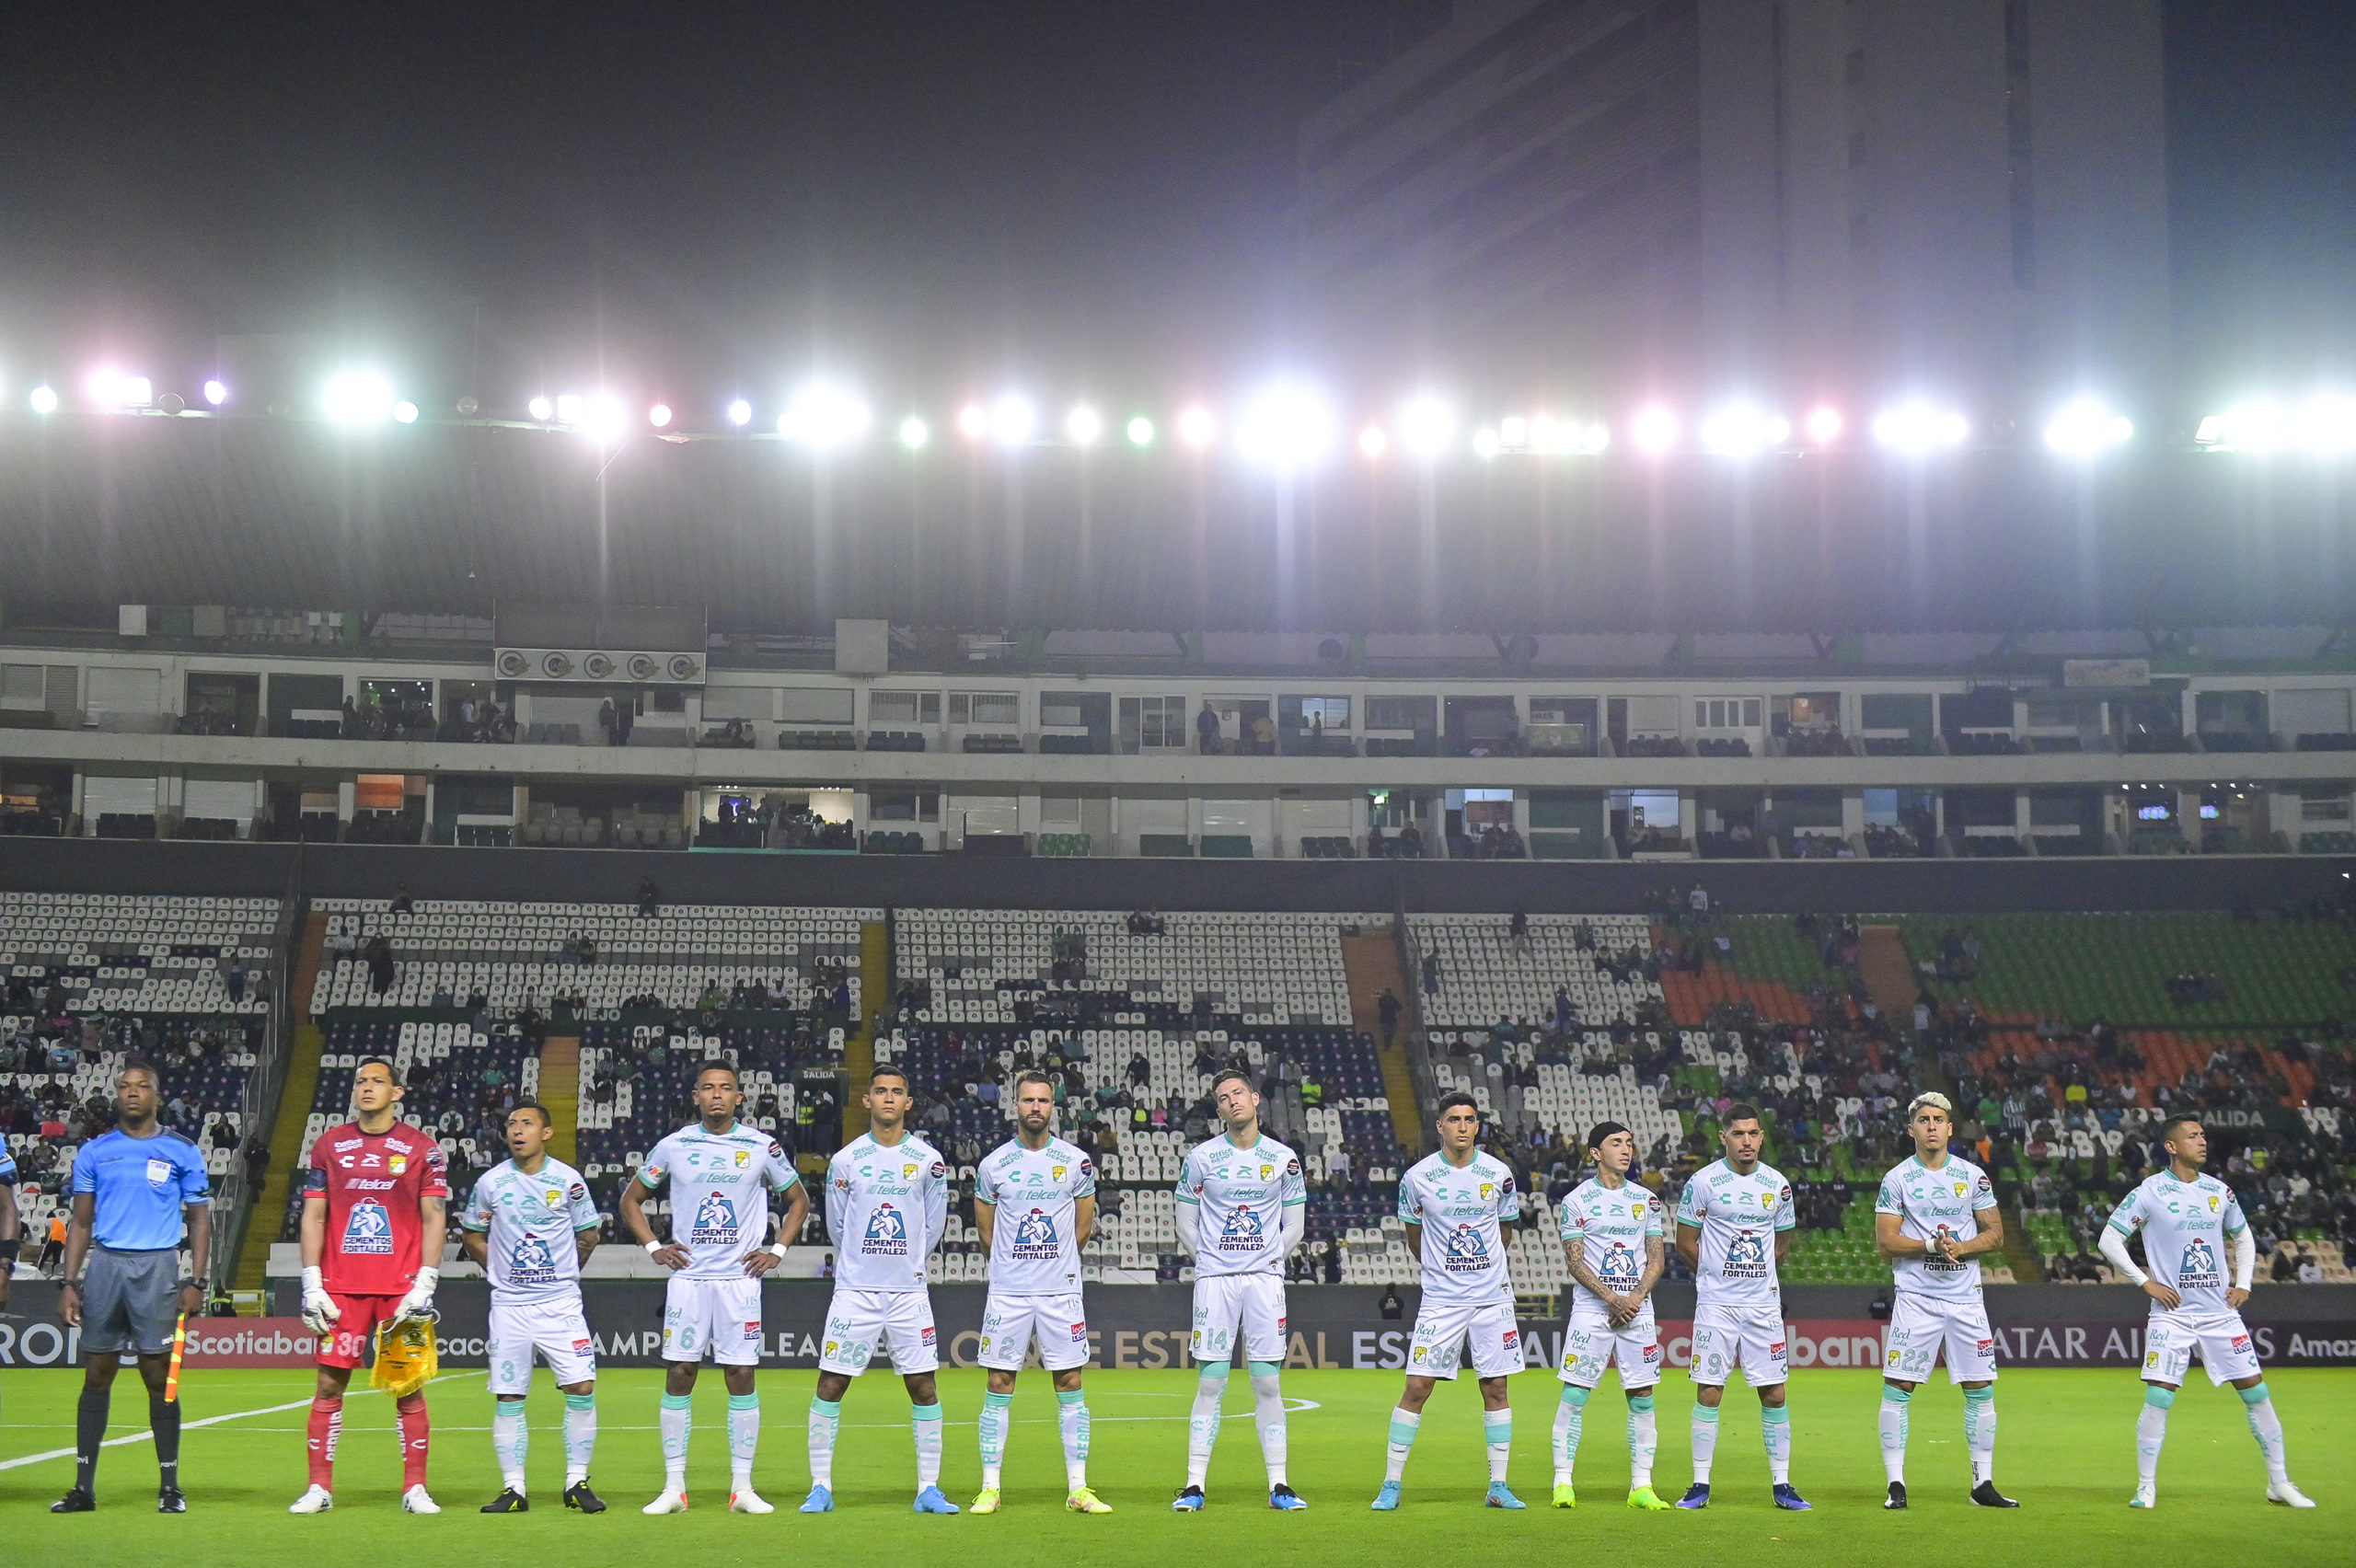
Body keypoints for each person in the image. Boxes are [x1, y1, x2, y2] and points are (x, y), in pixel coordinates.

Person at [619, 1063, 809, 1515]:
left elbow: (798, 1199)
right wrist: (653, 1247)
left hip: (740, 1281)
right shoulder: (674, 1145)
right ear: (695, 1097)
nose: (717, 1095)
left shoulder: (761, 1145)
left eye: (726, 1088)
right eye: (709, 1088)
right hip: (688, 1280)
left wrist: (777, 1251)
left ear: (739, 1098)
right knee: (680, 1374)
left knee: (740, 1375)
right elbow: (631, 1199)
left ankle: (741, 1489)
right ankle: (673, 1489)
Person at [2098, 1116, 2313, 1508]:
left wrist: (2245, 1282)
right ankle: (2146, 1485)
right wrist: (2143, 1281)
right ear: (2171, 1146)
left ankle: (2279, 1482)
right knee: (2159, 1396)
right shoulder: (2150, 1191)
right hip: (2172, 1313)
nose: (2202, 1140)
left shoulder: (2219, 1191)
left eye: (2203, 1135)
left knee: (2257, 1391)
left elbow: (2243, 1236)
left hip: (2219, 1312)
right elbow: (2109, 1238)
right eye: (2193, 1135)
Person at [51, 1060, 212, 1514]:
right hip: (105, 1267)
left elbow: (200, 1219)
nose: (133, 1093)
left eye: (142, 1087)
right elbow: (81, 1223)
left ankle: (170, 1487)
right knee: (97, 1373)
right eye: (125, 1086)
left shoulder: (182, 1150)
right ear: (117, 1095)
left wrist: (197, 1280)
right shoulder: (95, 1152)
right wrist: (69, 1283)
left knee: (158, 1377)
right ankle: (83, 1488)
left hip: (158, 1267)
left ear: (157, 1095)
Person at [293, 1057, 448, 1514]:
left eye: (378, 1081)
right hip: (341, 1287)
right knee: (327, 1384)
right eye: (360, 1081)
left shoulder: (423, 1148)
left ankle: (415, 1489)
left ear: (397, 1093)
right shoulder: (329, 1146)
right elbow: (314, 1215)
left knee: (408, 1387)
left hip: (401, 1289)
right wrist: (311, 1283)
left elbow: (434, 1215)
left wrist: (426, 1281)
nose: (367, 1087)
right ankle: (319, 1489)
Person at [803, 1066, 953, 1515]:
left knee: (923, 1387)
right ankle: (821, 1487)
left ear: (908, 1103)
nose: (889, 1098)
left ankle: (929, 1488)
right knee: (831, 1383)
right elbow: (837, 1224)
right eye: (880, 1091)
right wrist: (862, 1262)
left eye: (897, 1092)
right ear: (866, 1100)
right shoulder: (847, 1160)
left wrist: (906, 1261)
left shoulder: (928, 1160)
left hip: (908, 1293)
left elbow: (934, 1223)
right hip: (856, 1292)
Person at [1371, 1092, 1525, 1512]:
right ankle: (1391, 1483)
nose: (1462, 1125)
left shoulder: (1498, 1174)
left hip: (1492, 1299)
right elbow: (1414, 1237)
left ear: (1477, 1126)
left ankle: (1499, 1485)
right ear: (1440, 1126)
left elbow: (1506, 1230)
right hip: (1442, 1300)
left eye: (1469, 1119)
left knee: (1496, 1388)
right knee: (1417, 1387)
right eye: (1454, 1119)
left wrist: (1482, 1270)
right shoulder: (1417, 1178)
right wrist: (1444, 1272)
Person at [968, 1071, 1110, 1515]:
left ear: (1053, 1107)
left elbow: (1082, 1228)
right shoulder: (993, 1165)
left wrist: (1055, 1261)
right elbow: (986, 1234)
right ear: (1015, 1106)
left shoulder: (1076, 1161)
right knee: (998, 1382)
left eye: (1043, 1101)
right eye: (1027, 1100)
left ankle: (1078, 1487)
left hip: (1059, 1292)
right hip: (1009, 1293)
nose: (1035, 1108)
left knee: (1069, 1381)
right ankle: (990, 1487)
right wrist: (1016, 1267)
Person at [459, 1102, 609, 1514]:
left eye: (527, 1123)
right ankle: (514, 1490)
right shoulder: (491, 1182)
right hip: (509, 1307)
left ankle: (577, 1481)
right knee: (509, 1395)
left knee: (581, 1387)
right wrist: (499, 1270)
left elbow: (589, 1234)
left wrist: (565, 1274)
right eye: (511, 1124)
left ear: (547, 1133)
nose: (517, 1130)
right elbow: (472, 1232)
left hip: (560, 1304)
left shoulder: (568, 1180)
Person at [1171, 1067, 1308, 1513]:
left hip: (1263, 1283)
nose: (1232, 1102)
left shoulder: (1284, 1158)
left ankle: (1280, 1484)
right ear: (1219, 1109)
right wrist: (1207, 1261)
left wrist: (1269, 1260)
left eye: (1238, 1094)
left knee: (1268, 1382)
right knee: (1211, 1383)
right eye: (1223, 1098)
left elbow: (1296, 1226)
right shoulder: (1201, 1158)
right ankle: (1194, 1485)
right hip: (1215, 1283)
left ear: (1254, 1099)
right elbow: (1185, 1222)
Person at [1873, 1091, 2015, 1509]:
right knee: (1899, 1387)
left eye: (1938, 1119)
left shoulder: (1973, 1176)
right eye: (1923, 1119)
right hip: (1917, 1298)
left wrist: (1962, 1247)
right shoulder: (1897, 1178)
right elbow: (1886, 1241)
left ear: (1950, 1128)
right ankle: (1895, 1484)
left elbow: (1996, 1233)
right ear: (1911, 1129)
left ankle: (1982, 1483)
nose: (1932, 1125)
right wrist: (1932, 1248)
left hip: (1965, 1299)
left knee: (1980, 1388)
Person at [1673, 1104, 1807, 1511]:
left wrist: (1756, 1274)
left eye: (1753, 1133)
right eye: (1738, 1134)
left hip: (1763, 1307)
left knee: (1774, 1393)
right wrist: (1715, 1276)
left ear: (1762, 1136)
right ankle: (1699, 1484)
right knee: (1710, 1391)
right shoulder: (1703, 1182)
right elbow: (1684, 1241)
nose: (1746, 1141)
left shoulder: (1778, 1185)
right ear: (1724, 1138)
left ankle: (1783, 1485)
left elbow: (1782, 1242)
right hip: (1717, 1305)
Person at [1552, 1120, 1669, 1510]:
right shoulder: (1576, 1201)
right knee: (1575, 1393)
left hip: (1638, 1309)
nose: (1626, 1149)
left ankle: (1641, 1486)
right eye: (1616, 1143)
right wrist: (1611, 1298)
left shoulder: (1647, 1200)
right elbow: (1575, 1262)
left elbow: (1656, 1258)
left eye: (1630, 1143)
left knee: (1642, 1396)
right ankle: (1563, 1482)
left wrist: (1632, 1298)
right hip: (1591, 1308)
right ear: (1595, 1153)